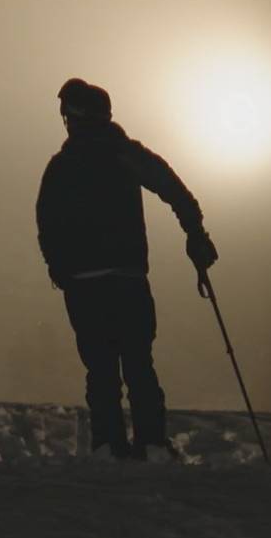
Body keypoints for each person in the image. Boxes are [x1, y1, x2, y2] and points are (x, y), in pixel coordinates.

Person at [36, 78, 218, 460]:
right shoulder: (125, 154)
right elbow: (173, 188)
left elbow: (47, 221)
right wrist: (195, 232)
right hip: (126, 278)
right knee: (137, 363)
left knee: (101, 368)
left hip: (84, 283)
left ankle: (108, 446)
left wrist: (59, 266)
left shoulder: (62, 167)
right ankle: (150, 443)